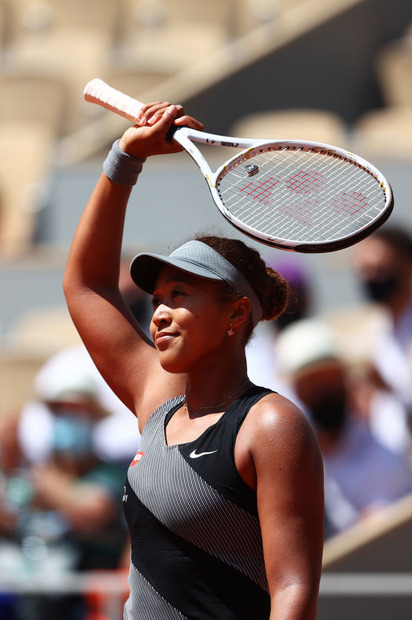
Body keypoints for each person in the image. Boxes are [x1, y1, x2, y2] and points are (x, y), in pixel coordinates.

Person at [63, 101, 324, 619]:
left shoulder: (270, 426)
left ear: (234, 315)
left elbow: (293, 589)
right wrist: (125, 157)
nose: (158, 313)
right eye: (157, 298)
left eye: (179, 294)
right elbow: (88, 286)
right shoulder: (158, 401)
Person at [276, 318, 412, 538]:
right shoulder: (298, 461)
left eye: (330, 379)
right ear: (298, 392)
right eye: (312, 383)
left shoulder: (384, 443)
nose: (324, 391)